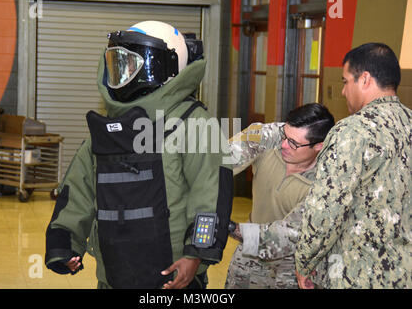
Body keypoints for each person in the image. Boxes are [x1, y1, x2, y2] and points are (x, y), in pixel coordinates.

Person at [44, 21, 233, 289]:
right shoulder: (109, 129)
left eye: (131, 66)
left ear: (164, 66)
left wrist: (196, 254)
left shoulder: (194, 123)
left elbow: (210, 192)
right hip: (113, 276)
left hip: (175, 278)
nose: (122, 74)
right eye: (118, 65)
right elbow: (78, 191)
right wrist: (65, 244)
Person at [295, 43, 411, 289]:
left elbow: (325, 211)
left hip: (357, 275)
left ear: (365, 79)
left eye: (346, 81)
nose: (343, 92)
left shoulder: (351, 132)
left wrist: (305, 262)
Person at [225, 103, 335, 289]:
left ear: (319, 146)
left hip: (294, 265)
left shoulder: (329, 181)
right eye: (285, 135)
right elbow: (217, 163)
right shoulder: (271, 140)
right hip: (249, 252)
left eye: (293, 143)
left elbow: (283, 238)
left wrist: (227, 227)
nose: (284, 144)